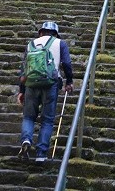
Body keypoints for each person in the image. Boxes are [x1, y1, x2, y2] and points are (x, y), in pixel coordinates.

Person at [17, 21, 73, 162]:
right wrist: (69, 81)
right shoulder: (60, 43)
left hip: (31, 84)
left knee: (29, 117)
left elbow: (23, 70)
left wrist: (21, 91)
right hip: (50, 84)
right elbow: (66, 63)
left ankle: (26, 140)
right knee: (47, 120)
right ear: (55, 33)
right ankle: (41, 154)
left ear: (40, 32)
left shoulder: (31, 44)